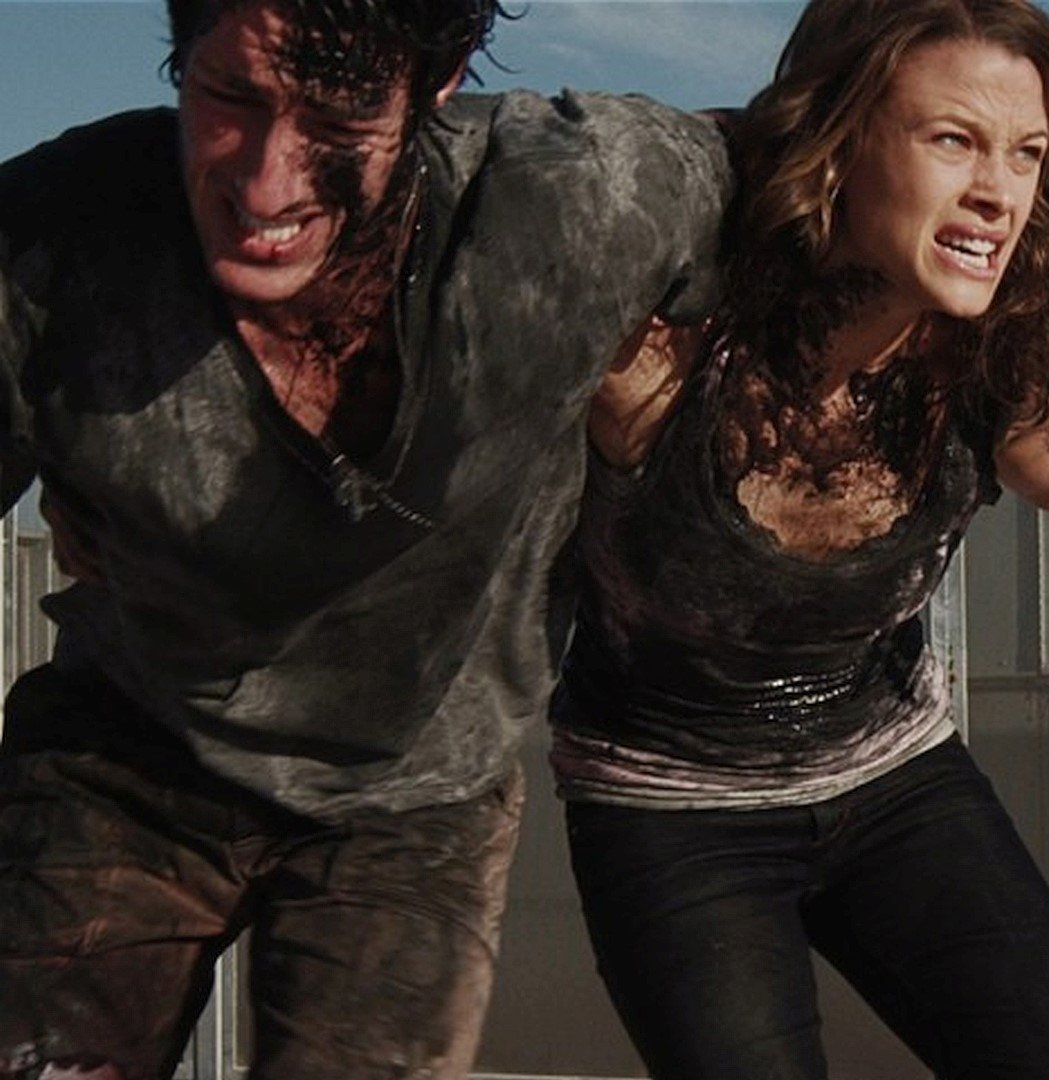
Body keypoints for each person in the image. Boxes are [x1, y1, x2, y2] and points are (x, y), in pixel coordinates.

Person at [0, 1, 732, 1076]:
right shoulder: (51, 241)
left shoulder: (577, 205)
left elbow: (807, 170)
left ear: (438, 83)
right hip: (130, 741)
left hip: (419, 788)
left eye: (339, 120)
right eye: (227, 96)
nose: (265, 184)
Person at [551, 1, 1049, 1077]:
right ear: (838, 142)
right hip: (671, 809)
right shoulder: (660, 357)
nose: (999, 192)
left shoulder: (987, 354)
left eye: (1026, 154)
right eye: (954, 139)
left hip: (896, 781)